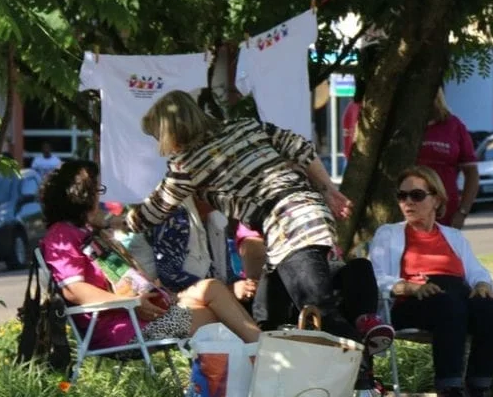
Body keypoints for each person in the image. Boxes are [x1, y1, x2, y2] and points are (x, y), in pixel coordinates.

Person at [126, 90, 376, 347]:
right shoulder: (245, 126)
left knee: (319, 313)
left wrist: (120, 223)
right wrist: (328, 189)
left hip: (289, 225)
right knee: (267, 315)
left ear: (169, 134)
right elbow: (299, 147)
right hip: (304, 214)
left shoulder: (185, 165)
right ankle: (276, 364)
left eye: (158, 138)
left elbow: (152, 212)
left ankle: (359, 368)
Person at [41, 160, 261, 350]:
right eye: (98, 190)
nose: (100, 197)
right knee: (217, 318)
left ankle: (263, 351)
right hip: (122, 329)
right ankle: (263, 357)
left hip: (141, 314)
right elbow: (74, 290)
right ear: (82, 195)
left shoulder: (86, 231)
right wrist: (131, 302)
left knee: (211, 287)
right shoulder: (61, 235)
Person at [367, 166, 493, 397]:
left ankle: (477, 389)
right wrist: (408, 286)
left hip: (456, 296)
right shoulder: (388, 234)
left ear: (437, 200)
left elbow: (477, 271)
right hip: (412, 300)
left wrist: (482, 284)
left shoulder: (454, 236)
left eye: (416, 195)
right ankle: (449, 392)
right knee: (448, 306)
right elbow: (375, 276)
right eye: (402, 196)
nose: (408, 202)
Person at [418, 87, 479, 228]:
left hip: (446, 215)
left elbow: (472, 173)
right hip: (408, 213)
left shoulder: (454, 126)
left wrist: (462, 212)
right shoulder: (403, 124)